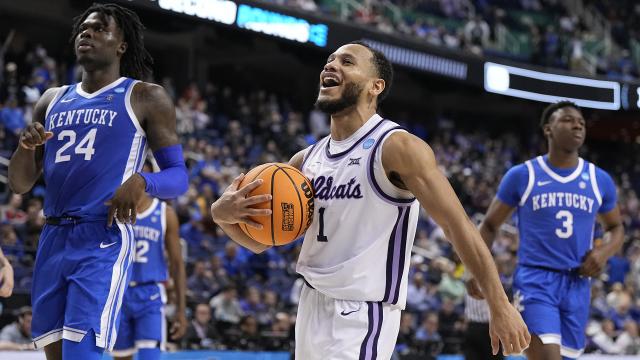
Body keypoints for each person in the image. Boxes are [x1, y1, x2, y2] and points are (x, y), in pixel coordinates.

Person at [210, 41, 530, 359]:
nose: (331, 65)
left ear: (375, 86)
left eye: (347, 62)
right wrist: (221, 214)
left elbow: (456, 224)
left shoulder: (396, 147)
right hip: (310, 305)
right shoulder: (304, 160)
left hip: (362, 314)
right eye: (330, 60)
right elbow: (260, 243)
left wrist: (498, 304)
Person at [7, 3, 188, 359]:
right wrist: (25, 149)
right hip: (52, 238)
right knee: (56, 355)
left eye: (100, 29)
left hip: (100, 238)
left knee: (82, 354)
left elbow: (179, 177)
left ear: (121, 45)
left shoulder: (145, 97)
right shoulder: (51, 100)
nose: (87, 33)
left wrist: (142, 182)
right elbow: (19, 184)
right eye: (83, 29)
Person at [467, 101, 625, 360]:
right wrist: (477, 270)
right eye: (568, 120)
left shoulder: (599, 180)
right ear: (548, 129)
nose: (577, 125)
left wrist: (603, 253)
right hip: (535, 280)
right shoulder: (522, 175)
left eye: (582, 123)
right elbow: (490, 225)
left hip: (578, 284)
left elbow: (616, 228)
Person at [111, 164, 187, 360]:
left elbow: (177, 265)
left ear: (151, 176)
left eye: (142, 171)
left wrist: (181, 310)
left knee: (150, 356)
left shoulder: (165, 213)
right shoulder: (112, 208)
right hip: (118, 293)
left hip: (150, 295)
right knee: (121, 356)